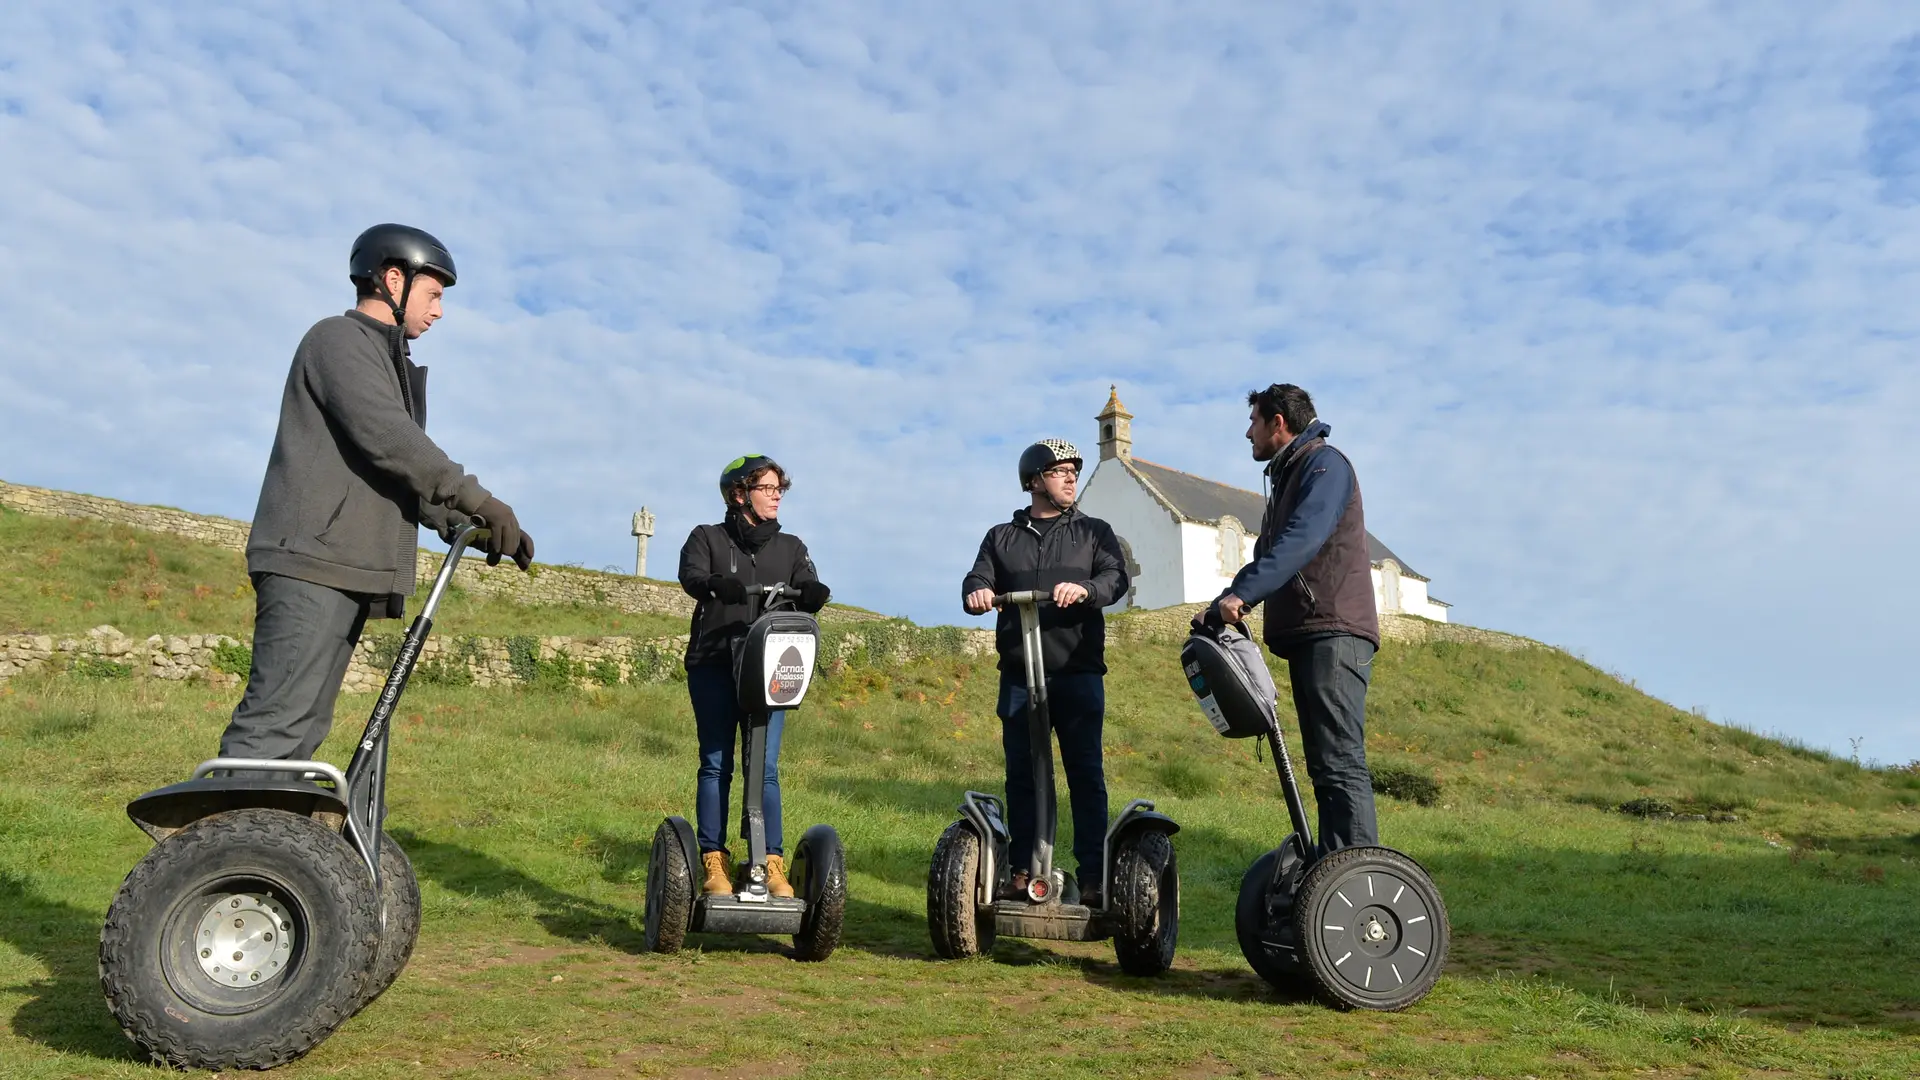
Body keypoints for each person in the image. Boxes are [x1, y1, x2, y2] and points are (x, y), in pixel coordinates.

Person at [219, 224, 535, 766]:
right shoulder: (337, 341)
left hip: (341, 564)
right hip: (310, 561)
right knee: (273, 731)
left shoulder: (388, 363)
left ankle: (274, 845)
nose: (439, 311)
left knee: (301, 733)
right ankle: (220, 848)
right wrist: (478, 498)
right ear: (394, 279)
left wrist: (461, 522)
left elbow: (393, 471)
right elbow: (389, 438)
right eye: (434, 294)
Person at [1201, 383, 1380, 854]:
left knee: (1339, 761)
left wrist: (1243, 596)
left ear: (1278, 422)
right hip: (1311, 632)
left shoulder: (1326, 466)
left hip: (1335, 629)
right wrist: (1222, 601)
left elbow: (1302, 540)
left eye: (1254, 422)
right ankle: (1335, 874)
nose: (1248, 433)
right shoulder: (1291, 476)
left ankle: (1357, 883)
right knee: (1324, 764)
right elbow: (1266, 553)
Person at [962, 439, 1130, 907]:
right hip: (1019, 676)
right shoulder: (1002, 536)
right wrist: (977, 592)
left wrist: (1087, 588)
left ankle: (1094, 877)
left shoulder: (1094, 531)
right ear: (1034, 481)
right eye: (1059, 472)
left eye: (1074, 471)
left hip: (1076, 672)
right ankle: (1021, 873)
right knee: (1023, 773)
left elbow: (1116, 578)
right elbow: (976, 578)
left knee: (1084, 773)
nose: (1071, 478)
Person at [677, 455, 832, 898]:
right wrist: (713, 584)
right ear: (740, 494)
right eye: (767, 488)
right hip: (712, 663)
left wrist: (815, 593)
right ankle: (714, 859)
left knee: (763, 767)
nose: (777, 495)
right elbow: (691, 575)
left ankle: (770, 862)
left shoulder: (791, 548)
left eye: (780, 488)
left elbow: (809, 583)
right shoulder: (707, 538)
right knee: (716, 762)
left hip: (769, 670)